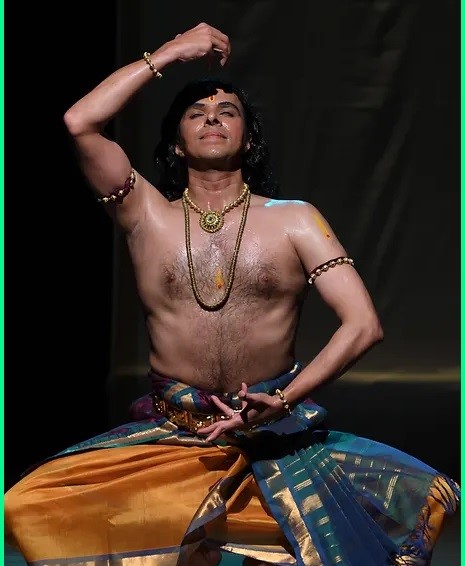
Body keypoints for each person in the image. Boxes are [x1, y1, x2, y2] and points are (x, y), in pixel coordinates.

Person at [4, 22, 460, 566]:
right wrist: (171, 53)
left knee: (411, 506)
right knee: (31, 504)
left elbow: (364, 325)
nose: (213, 117)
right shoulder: (144, 213)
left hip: (276, 437)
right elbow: (79, 122)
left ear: (248, 138)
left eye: (227, 111)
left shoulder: (295, 219)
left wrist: (282, 402)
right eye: (196, 113)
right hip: (177, 439)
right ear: (177, 143)